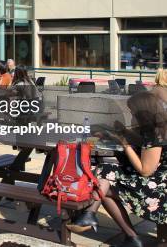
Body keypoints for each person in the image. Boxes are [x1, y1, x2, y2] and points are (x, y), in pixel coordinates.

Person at [68, 91, 166, 247]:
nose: (132, 116)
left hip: (158, 190)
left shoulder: (157, 134)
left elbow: (145, 170)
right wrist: (121, 134)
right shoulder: (157, 127)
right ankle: (91, 215)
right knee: (105, 179)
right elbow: (143, 143)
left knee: (104, 179)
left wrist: (124, 144)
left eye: (133, 113)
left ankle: (92, 215)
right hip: (159, 180)